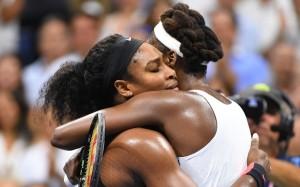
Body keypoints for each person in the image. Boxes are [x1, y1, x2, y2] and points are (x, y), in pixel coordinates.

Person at [45, 4, 264, 187]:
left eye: (160, 64)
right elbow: (63, 135)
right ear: (123, 87)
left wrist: (89, 152)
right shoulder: (230, 105)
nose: (169, 74)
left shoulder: (168, 107)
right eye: (154, 68)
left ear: (171, 58)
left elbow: (65, 135)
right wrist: (256, 174)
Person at [233, 83, 300, 186]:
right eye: (252, 111)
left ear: (285, 121)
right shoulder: (231, 164)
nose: (261, 117)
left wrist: (257, 163)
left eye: (270, 111)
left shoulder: (295, 163)